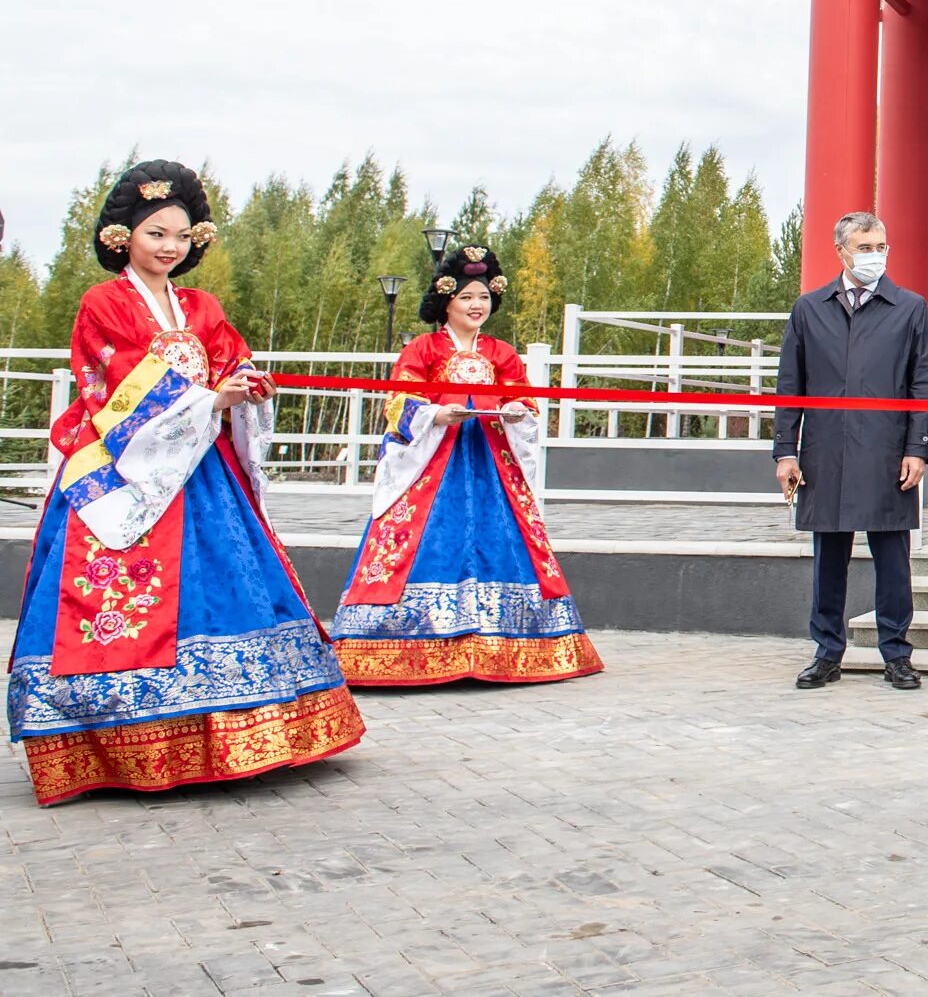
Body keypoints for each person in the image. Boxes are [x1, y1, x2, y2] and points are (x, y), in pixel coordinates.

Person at [8, 161, 364, 805]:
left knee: (225, 579)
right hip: (122, 468)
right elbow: (110, 387)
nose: (170, 247)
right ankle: (116, 745)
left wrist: (246, 387)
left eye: (181, 235)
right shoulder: (103, 303)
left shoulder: (202, 306)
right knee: (116, 603)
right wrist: (206, 399)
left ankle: (246, 728)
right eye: (155, 233)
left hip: (202, 469)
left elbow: (233, 358)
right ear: (123, 237)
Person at [329, 243, 603, 686]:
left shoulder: (501, 353)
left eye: (483, 298)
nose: (477, 306)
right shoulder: (423, 349)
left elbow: (525, 401)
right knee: (426, 541)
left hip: (491, 463)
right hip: (434, 466)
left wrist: (517, 414)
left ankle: (512, 642)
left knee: (504, 538)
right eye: (466, 298)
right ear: (446, 302)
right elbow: (398, 400)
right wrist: (435, 414)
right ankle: (403, 645)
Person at [774, 212, 928, 690]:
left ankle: (897, 655)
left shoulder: (910, 308)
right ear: (841, 251)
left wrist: (918, 448)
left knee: (892, 558)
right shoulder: (809, 308)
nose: (875, 255)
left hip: (889, 451)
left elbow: (922, 383)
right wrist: (786, 451)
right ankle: (827, 652)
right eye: (865, 247)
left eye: (881, 245)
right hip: (825, 451)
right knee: (828, 558)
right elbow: (790, 386)